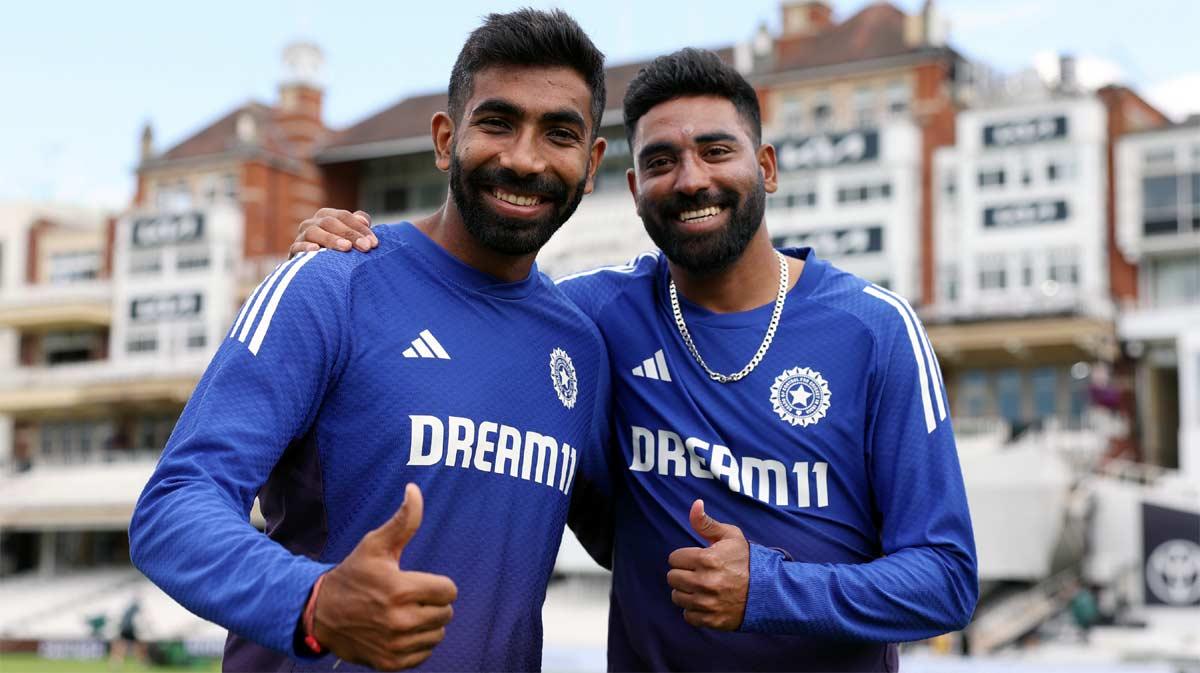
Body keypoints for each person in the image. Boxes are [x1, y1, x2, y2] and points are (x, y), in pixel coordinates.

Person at [294, 48, 978, 672]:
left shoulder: (875, 329)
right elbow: (472, 304)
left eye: (716, 151)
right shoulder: (590, 317)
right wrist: (349, 253)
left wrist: (772, 589)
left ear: (766, 167)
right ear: (632, 186)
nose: (691, 179)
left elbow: (946, 580)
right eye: (660, 161)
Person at [129, 9, 612, 672]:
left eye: (559, 134)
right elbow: (173, 506)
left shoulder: (581, 348)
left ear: (592, 164)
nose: (524, 159)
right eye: (498, 122)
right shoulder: (333, 282)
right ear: (445, 139)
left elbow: (628, 539)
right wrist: (315, 602)